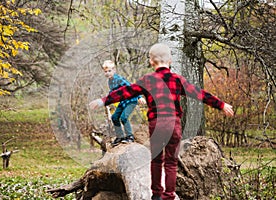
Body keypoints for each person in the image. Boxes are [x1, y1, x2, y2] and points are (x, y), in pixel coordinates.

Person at [90, 44, 234, 200]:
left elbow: (125, 92)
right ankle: (169, 196)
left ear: (151, 62)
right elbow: (199, 93)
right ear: (170, 60)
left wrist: (103, 100)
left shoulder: (148, 80)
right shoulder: (177, 80)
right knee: (171, 162)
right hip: (173, 124)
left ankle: (157, 195)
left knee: (157, 160)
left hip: (157, 124)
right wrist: (221, 104)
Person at [101, 60, 146, 146]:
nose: (107, 73)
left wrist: (139, 97)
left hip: (131, 100)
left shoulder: (119, 79)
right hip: (123, 102)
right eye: (105, 72)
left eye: (109, 71)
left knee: (124, 117)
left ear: (114, 70)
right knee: (114, 117)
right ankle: (120, 136)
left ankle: (130, 136)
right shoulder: (110, 82)